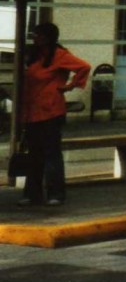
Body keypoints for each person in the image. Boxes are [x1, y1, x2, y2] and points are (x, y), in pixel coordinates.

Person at [18, 23, 91, 206]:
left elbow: (84, 67)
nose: (35, 38)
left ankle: (55, 193)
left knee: (51, 154)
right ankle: (32, 194)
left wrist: (69, 86)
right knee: (34, 154)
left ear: (48, 37)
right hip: (33, 112)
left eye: (38, 35)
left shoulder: (60, 55)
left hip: (51, 111)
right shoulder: (35, 56)